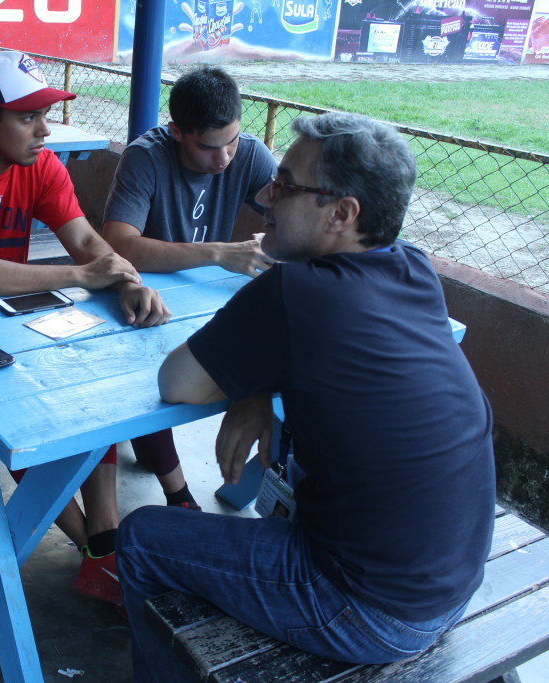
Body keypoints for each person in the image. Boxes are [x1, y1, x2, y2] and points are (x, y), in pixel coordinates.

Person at [116, 112, 496, 679]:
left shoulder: (295, 290)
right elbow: (326, 351)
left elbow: (177, 383)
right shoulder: (412, 267)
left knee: (142, 536)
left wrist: (250, 372)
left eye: (288, 184)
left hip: (367, 610)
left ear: (342, 214)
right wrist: (255, 384)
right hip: (451, 583)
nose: (266, 194)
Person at [0, 50, 170, 606]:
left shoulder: (41, 165)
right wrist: (82, 274)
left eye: (45, 114)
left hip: (10, 320)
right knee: (22, 418)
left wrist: (125, 281)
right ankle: (98, 551)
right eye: (29, 117)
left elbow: (86, 242)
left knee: (93, 384)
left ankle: (104, 543)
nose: (44, 129)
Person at [103, 66, 277, 511]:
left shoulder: (250, 155)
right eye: (209, 147)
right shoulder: (145, 157)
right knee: (141, 386)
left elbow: (290, 219)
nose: (224, 159)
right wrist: (219, 253)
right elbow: (121, 245)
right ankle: (177, 495)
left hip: (203, 305)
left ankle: (247, 484)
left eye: (233, 142)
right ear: (176, 131)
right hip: (139, 297)